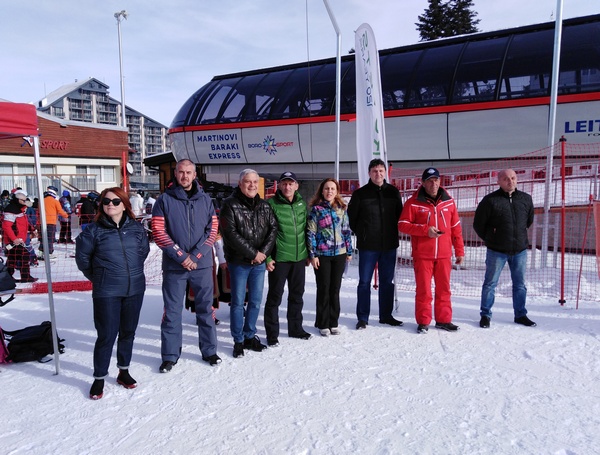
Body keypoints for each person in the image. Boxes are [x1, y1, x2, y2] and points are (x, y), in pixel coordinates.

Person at [75, 187, 150, 400]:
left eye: (116, 201)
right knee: (107, 335)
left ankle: (123, 371)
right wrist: (101, 277)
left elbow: (142, 253)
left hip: (134, 288)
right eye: (106, 201)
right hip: (106, 291)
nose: (110, 204)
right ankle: (99, 377)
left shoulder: (136, 229)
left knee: (128, 332)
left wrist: (131, 273)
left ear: (124, 204)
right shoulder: (93, 231)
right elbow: (83, 260)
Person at [152, 159, 221, 371]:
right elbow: (158, 232)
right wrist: (182, 256)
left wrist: (197, 254)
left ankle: (209, 351)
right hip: (175, 267)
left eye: (188, 172)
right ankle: (170, 355)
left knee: (206, 309)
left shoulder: (206, 200)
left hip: (201, 265)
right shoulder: (164, 200)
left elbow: (213, 229)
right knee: (172, 312)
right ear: (176, 173)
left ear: (194, 175)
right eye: (181, 172)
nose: (185, 176)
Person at [399, 167, 465, 333]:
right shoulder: (413, 202)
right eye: (429, 180)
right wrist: (425, 230)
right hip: (423, 255)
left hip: (444, 255)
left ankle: (443, 319)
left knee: (444, 289)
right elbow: (403, 225)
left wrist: (459, 250)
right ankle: (423, 321)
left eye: (436, 180)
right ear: (423, 183)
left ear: (440, 181)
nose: (433, 183)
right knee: (424, 290)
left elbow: (456, 227)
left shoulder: (449, 201)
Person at [220, 169, 277, 358]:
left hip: (258, 263)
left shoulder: (264, 206)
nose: (252, 185)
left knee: (255, 301)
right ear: (240, 183)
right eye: (247, 181)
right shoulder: (229, 205)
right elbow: (231, 234)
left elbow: (272, 230)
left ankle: (249, 335)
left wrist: (262, 255)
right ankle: (238, 340)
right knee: (237, 303)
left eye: (255, 181)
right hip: (239, 262)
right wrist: (253, 253)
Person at [473, 168, 537, 328]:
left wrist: (518, 237)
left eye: (513, 178)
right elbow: (478, 224)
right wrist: (492, 239)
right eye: (506, 179)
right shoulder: (490, 201)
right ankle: (485, 315)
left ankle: (520, 314)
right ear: (499, 181)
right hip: (497, 251)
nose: (511, 181)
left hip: (519, 251)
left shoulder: (526, 199)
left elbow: (528, 220)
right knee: (490, 284)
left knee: (520, 284)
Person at [347, 158, 404, 330]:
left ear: (385, 172)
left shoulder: (393, 192)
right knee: (364, 282)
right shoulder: (360, 194)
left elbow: (399, 216)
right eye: (374, 171)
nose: (378, 174)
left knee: (387, 282)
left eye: (381, 171)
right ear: (369, 173)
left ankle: (385, 315)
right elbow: (352, 218)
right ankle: (363, 317)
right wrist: (362, 232)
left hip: (389, 245)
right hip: (368, 246)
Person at [263, 171, 311, 346]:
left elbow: (306, 230)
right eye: (284, 183)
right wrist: (267, 258)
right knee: (275, 296)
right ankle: (272, 334)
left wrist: (308, 254)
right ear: (279, 185)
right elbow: (264, 234)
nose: (287, 186)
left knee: (297, 295)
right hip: (280, 259)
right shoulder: (271, 204)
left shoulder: (300, 204)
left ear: (296, 186)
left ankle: (295, 328)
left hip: (299, 258)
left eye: (291, 183)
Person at [307, 178, 353, 336]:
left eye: (333, 188)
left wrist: (349, 251)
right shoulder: (317, 209)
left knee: (335, 289)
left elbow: (346, 230)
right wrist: (312, 254)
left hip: (339, 254)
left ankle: (334, 321)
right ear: (322, 190)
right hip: (322, 254)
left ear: (337, 191)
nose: (329, 191)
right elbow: (311, 232)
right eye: (327, 188)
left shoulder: (342, 208)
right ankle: (323, 322)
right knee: (324, 288)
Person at [1, 190, 38, 282]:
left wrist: (32, 229)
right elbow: (6, 226)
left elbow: (23, 222)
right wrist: (14, 239)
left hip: (20, 239)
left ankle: (7, 277)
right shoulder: (11, 210)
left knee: (12, 259)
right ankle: (25, 277)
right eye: (23, 200)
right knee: (23, 256)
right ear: (17, 199)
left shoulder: (20, 209)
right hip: (13, 240)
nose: (24, 202)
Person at [38, 185, 68, 259]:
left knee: (42, 238)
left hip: (42, 222)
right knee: (50, 238)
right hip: (51, 222)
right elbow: (60, 211)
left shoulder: (42, 201)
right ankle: (49, 253)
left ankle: (41, 253)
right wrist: (66, 215)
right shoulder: (55, 201)